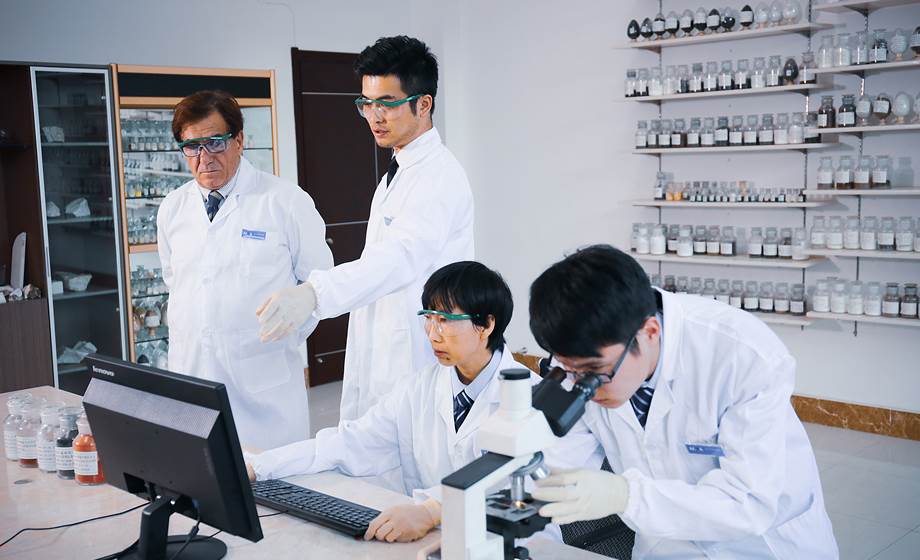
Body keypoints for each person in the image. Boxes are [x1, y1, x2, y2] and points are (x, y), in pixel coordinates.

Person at [245, 261, 601, 543]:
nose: (432, 334)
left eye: (445, 320)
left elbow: (524, 486)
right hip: (430, 538)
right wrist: (262, 466)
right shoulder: (419, 388)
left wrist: (432, 510)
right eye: (428, 318)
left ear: (486, 325)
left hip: (515, 544)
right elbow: (350, 441)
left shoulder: (535, 400)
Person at [528, 245, 838, 559]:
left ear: (649, 331)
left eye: (595, 372)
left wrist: (626, 496)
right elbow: (555, 465)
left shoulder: (742, 355)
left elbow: (747, 502)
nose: (583, 387)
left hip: (761, 546)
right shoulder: (581, 364)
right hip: (666, 546)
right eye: (570, 370)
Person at [256, 36, 475, 422]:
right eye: (366, 104)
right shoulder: (399, 170)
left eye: (386, 104)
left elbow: (398, 258)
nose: (374, 116)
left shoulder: (438, 177)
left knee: (413, 448)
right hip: (385, 350)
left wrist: (316, 292)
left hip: (417, 355)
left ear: (424, 104)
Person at [157, 90, 333, 450]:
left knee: (271, 481)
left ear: (239, 140)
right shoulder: (172, 209)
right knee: (198, 475)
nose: (204, 157)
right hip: (193, 381)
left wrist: (281, 337)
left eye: (215, 143)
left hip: (265, 393)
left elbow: (321, 286)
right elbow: (176, 284)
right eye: (192, 147)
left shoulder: (285, 201)